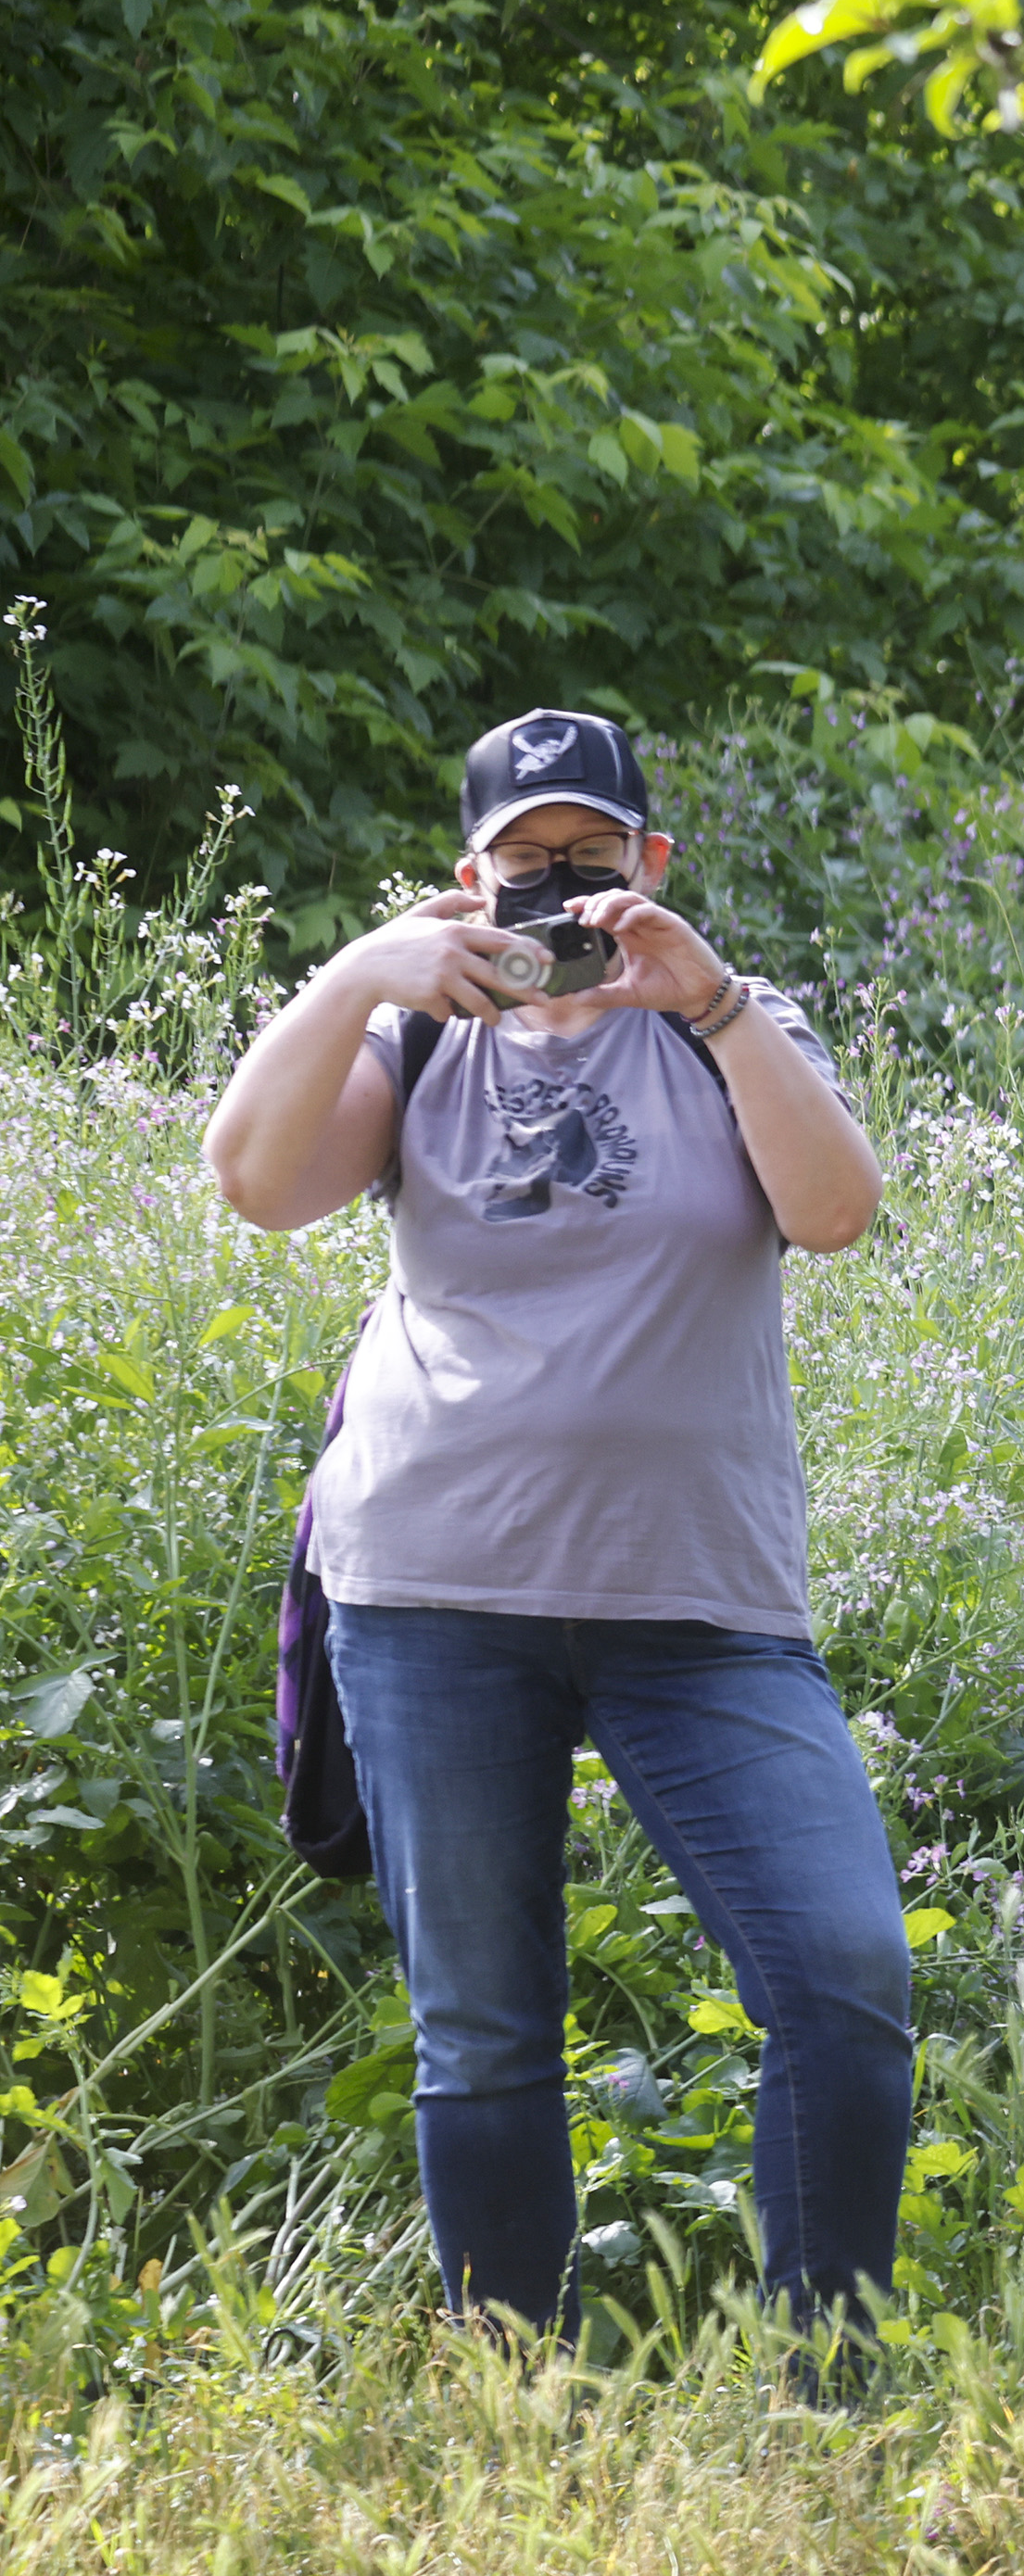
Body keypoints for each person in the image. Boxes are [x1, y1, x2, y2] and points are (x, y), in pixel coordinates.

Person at [196, 710, 909, 2337]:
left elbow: (836, 1210)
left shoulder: (730, 1026)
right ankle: (519, 2401)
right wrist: (357, 973)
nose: (562, 895)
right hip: (430, 1588)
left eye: (592, 860)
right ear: (472, 880)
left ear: (651, 865)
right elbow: (254, 1179)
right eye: (528, 865)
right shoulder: (419, 1043)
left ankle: (829, 2390)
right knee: (486, 2028)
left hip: (699, 1602)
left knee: (842, 1976)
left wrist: (709, 997)